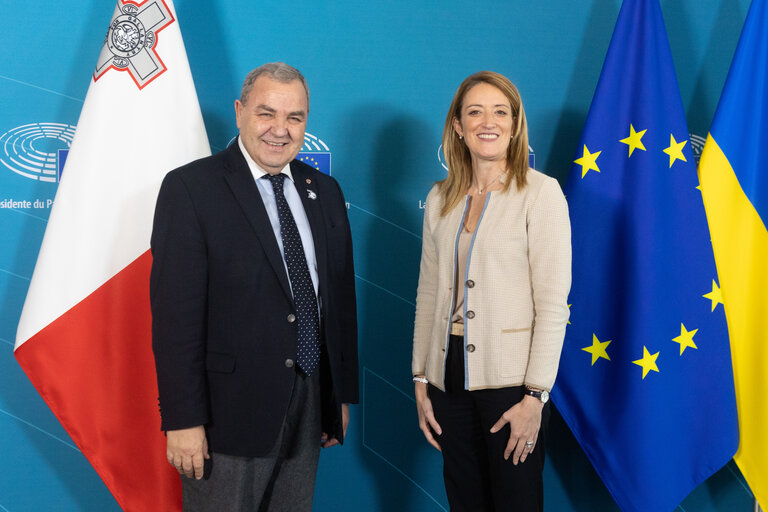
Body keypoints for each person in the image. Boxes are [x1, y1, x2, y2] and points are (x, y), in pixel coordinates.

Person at [150, 62, 358, 511]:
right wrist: (183, 419)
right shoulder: (191, 188)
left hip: (309, 399)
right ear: (240, 111)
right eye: (267, 114)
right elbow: (175, 320)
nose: (280, 130)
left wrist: (338, 393)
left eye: (295, 117)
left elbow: (339, 302)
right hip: (226, 413)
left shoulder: (324, 189)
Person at [412, 71, 571, 511]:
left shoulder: (541, 194)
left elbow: (553, 307)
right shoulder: (440, 198)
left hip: (512, 386)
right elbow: (428, 295)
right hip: (450, 378)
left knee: (516, 502)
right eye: (475, 111)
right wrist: (422, 377)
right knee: (465, 502)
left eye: (501, 111)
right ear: (458, 127)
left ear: (516, 125)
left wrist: (535, 397)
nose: (489, 121)